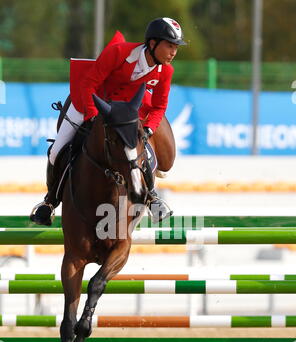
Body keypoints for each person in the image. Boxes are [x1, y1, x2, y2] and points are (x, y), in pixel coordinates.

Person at [30, 17, 187, 226]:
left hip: (124, 114)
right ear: (152, 43)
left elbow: (159, 107)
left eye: (176, 46)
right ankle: (49, 203)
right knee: (57, 150)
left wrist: (149, 129)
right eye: (170, 45)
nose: (174, 52)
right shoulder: (119, 53)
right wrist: (93, 116)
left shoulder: (165, 71)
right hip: (89, 103)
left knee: (144, 153)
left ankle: (152, 198)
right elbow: (88, 85)